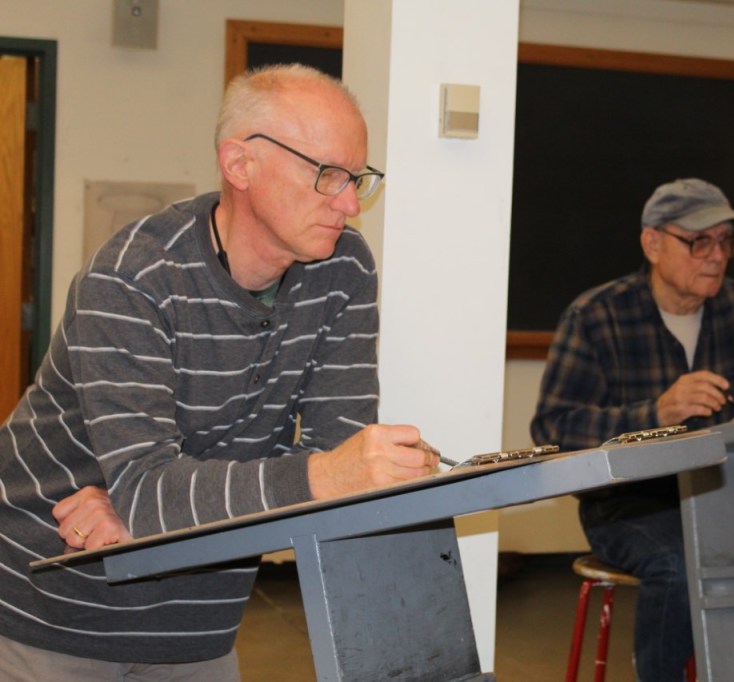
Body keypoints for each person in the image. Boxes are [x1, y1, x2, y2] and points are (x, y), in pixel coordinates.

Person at [0, 63, 440, 681]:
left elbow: (333, 486)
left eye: (356, 178)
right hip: (51, 610)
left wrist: (144, 505)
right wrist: (319, 474)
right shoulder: (132, 276)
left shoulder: (345, 269)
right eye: (326, 175)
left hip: (200, 619)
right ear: (240, 165)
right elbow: (169, 489)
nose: (348, 203)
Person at [531, 178, 734, 681]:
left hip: (722, 492)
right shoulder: (596, 317)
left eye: (724, 243)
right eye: (699, 242)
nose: (715, 256)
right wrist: (657, 413)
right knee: (679, 561)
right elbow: (554, 429)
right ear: (653, 243)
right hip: (627, 503)